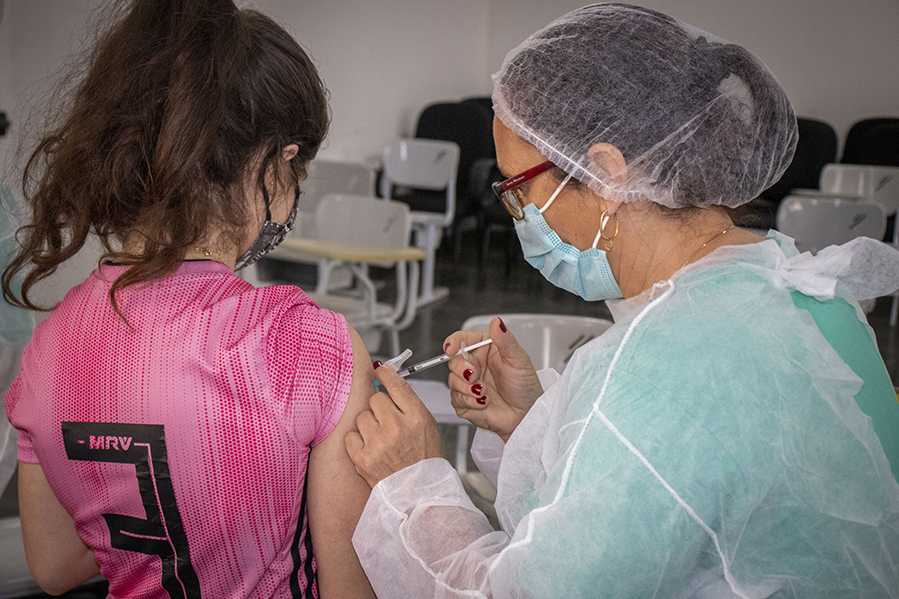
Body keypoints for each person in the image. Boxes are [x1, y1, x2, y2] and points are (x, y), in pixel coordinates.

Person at [345, 4, 899, 598]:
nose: (519, 215)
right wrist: (533, 422)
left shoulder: (659, 370)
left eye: (518, 188)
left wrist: (415, 484)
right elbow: (660, 504)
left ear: (607, 173)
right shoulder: (801, 288)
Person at [2, 1, 376, 597]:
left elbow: (53, 566)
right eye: (300, 169)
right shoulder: (311, 347)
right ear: (278, 163)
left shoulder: (52, 344)